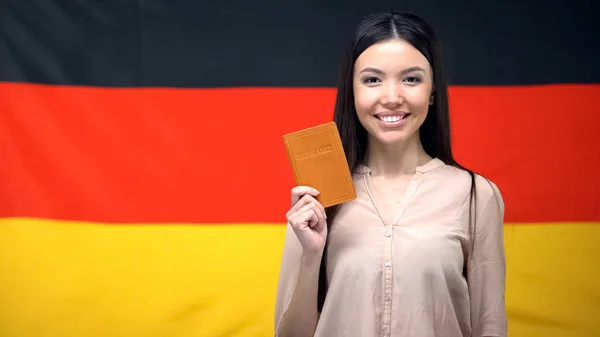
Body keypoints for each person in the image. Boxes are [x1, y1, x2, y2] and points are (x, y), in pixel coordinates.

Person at [274, 10, 507, 337]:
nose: (392, 97)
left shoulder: (476, 195)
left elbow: (490, 326)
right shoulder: (318, 195)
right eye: (372, 79)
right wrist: (312, 256)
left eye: (411, 78)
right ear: (352, 91)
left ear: (433, 90)